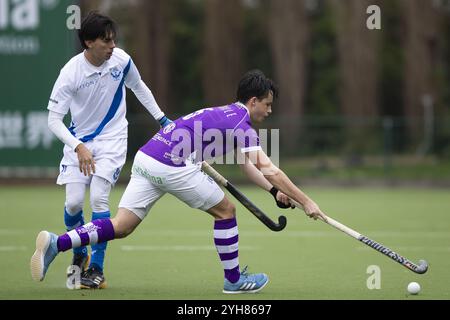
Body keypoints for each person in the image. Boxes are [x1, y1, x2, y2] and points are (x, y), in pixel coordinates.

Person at [32, 70, 327, 294]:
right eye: (267, 104)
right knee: (226, 211)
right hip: (170, 164)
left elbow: (249, 167)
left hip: (147, 158)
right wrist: (307, 201)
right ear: (253, 102)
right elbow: (270, 168)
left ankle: (57, 243)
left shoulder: (228, 114)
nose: (270, 110)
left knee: (122, 226)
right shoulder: (241, 123)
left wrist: (275, 192)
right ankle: (234, 280)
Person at [46, 11, 172, 289]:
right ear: (89, 42)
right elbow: (53, 120)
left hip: (114, 140)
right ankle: (80, 251)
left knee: (100, 201)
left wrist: (162, 120)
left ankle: (97, 268)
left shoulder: (121, 61)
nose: (112, 46)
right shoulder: (70, 72)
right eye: (106, 41)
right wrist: (78, 146)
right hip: (79, 143)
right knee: (73, 204)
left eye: (114, 40)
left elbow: (139, 87)